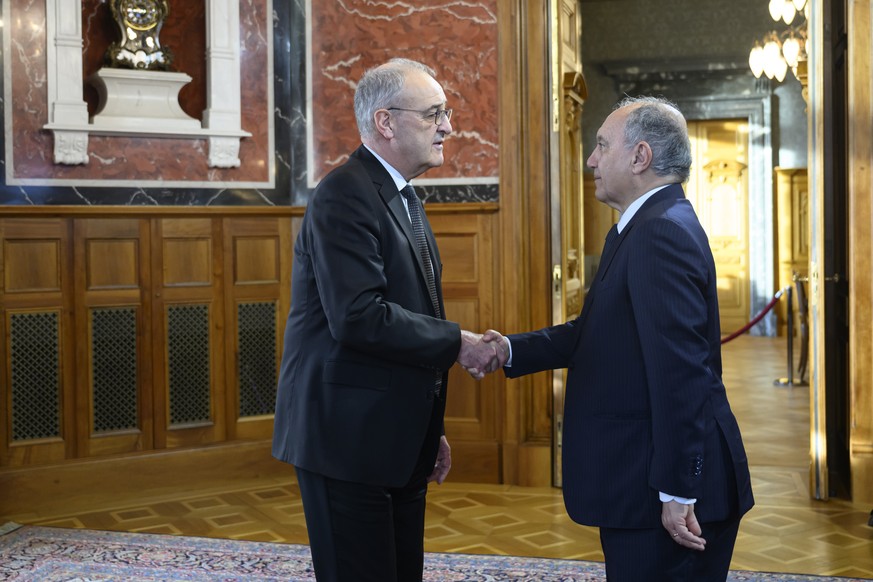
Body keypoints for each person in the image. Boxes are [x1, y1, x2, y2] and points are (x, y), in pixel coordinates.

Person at [478, 96, 754, 581]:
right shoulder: (638, 228)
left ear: (640, 157)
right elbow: (595, 336)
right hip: (640, 481)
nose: (590, 160)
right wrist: (508, 349)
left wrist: (676, 491)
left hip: (661, 489)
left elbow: (681, 374)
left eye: (601, 145)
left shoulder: (657, 234)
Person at [271, 58, 498, 582]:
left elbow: (412, 314)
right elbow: (358, 317)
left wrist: (426, 430)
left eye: (446, 113)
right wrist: (460, 343)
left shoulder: (404, 196)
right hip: (345, 441)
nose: (448, 126)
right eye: (434, 114)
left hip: (392, 438)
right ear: (386, 122)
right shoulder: (344, 192)